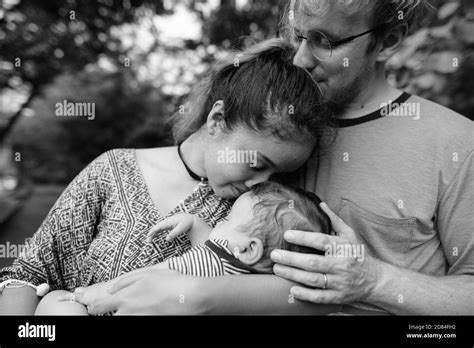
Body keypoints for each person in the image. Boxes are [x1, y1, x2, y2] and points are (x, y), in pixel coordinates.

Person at [68, 0, 472, 315]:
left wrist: (374, 281)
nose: (300, 58)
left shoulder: (455, 143)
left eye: (325, 41)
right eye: (296, 35)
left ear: (389, 40)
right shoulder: (268, 130)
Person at [0, 38, 337, 315]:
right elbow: (26, 274)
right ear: (217, 120)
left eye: (278, 172)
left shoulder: (262, 215)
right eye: (255, 162)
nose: (260, 183)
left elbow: (312, 297)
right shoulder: (113, 170)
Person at [34, 182, 334, 315]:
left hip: (115, 302)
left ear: (249, 250)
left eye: (228, 218)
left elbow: (134, 284)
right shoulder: (240, 282)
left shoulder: (206, 270)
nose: (220, 222)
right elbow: (212, 248)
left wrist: (85, 295)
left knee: (56, 303)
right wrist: (194, 222)